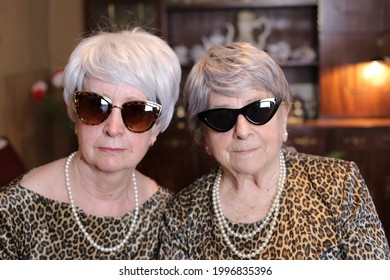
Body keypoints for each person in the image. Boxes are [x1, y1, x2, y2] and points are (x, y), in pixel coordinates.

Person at [158, 42, 390, 260]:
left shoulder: (339, 184)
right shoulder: (181, 215)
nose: (242, 131)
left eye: (258, 110)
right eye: (221, 117)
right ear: (203, 136)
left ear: (284, 117)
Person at [0, 28, 181, 259]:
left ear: (157, 127)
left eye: (136, 112)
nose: (113, 129)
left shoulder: (169, 216)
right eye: (96, 107)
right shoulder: (13, 212)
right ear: (75, 115)